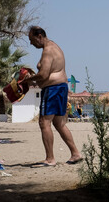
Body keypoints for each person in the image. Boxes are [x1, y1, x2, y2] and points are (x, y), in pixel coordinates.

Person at [25, 26, 82, 166]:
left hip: (52, 89)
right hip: (61, 88)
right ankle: (75, 153)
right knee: (59, 123)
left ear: (39, 36)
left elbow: (44, 74)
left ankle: (50, 158)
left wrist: (27, 80)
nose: (31, 44)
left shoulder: (48, 51)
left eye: (32, 40)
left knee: (44, 123)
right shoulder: (54, 46)